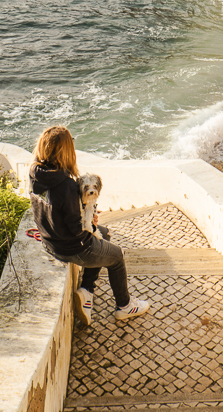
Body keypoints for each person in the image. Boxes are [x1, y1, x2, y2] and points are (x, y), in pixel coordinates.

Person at [28, 125, 150, 326]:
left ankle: (86, 291)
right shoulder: (66, 185)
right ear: (65, 150)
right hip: (71, 247)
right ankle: (125, 306)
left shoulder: (36, 173)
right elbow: (77, 230)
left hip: (50, 240)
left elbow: (55, 210)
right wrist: (88, 223)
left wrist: (85, 213)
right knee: (117, 256)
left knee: (105, 234)